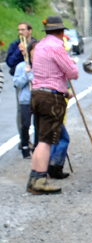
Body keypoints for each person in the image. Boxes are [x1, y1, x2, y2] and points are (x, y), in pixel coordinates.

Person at [28, 16, 78, 195]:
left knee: (41, 137)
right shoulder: (57, 47)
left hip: (37, 94)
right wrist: (71, 63)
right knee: (46, 140)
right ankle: (41, 180)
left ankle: (34, 177)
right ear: (62, 32)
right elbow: (73, 73)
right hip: (52, 97)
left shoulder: (40, 45)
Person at [6, 22, 38, 158]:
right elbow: (9, 62)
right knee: (22, 115)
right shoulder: (15, 45)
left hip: (36, 88)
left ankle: (37, 145)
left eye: (23, 30)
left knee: (38, 120)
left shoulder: (36, 44)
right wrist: (20, 52)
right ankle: (24, 141)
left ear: (30, 31)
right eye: (18, 30)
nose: (20, 32)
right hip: (21, 81)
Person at [12, 55, 34, 159]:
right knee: (25, 125)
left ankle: (37, 147)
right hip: (25, 100)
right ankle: (25, 147)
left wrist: (32, 77)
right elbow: (17, 83)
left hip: (38, 98)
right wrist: (26, 74)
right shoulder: (21, 66)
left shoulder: (41, 65)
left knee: (38, 124)